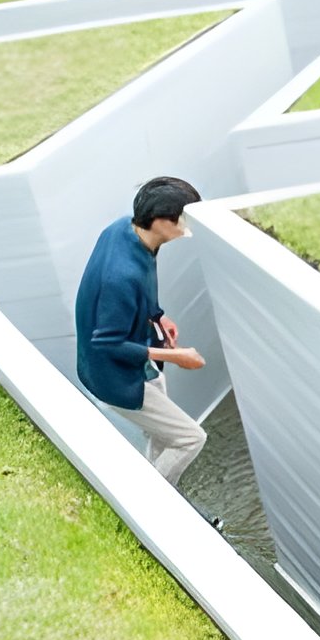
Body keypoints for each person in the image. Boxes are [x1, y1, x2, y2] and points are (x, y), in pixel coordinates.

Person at [74, 176, 212, 493]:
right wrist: (177, 356)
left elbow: (141, 283)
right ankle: (151, 499)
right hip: (111, 375)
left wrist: (158, 317)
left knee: (162, 429)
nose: (187, 230)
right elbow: (108, 344)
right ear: (162, 221)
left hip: (134, 363)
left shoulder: (123, 231)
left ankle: (150, 481)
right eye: (183, 221)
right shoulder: (121, 276)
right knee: (190, 437)